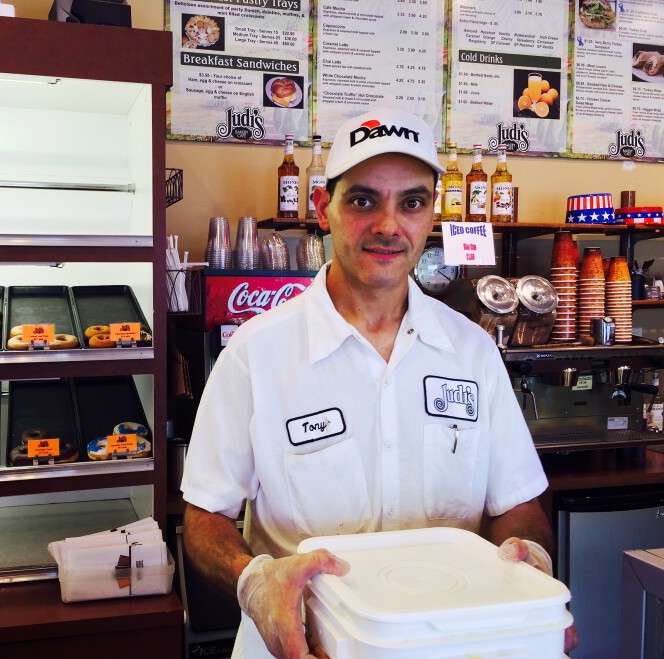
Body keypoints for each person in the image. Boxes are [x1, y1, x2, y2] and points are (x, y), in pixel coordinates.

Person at [181, 108, 575, 658]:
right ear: (324, 209)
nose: (389, 225)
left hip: (451, 645)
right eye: (363, 200)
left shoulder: (472, 353)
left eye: (411, 202)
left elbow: (518, 500)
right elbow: (203, 519)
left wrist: (527, 566)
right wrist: (255, 582)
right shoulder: (256, 354)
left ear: (430, 214)